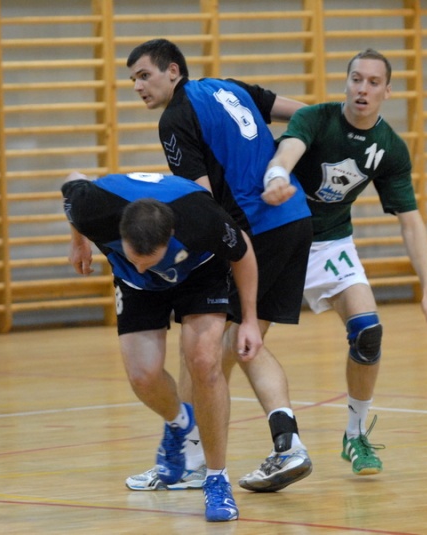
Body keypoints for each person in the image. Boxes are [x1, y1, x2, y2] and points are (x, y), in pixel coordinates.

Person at [125, 38, 314, 493]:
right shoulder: (228, 87)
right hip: (295, 219)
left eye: (145, 75)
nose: (138, 87)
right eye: (132, 80)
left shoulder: (176, 118)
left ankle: (193, 460)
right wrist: (281, 167)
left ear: (173, 70)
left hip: (251, 233)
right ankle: (284, 445)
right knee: (241, 343)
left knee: (200, 345)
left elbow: (202, 202)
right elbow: (309, 116)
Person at [262, 49, 427, 476]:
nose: (362, 89)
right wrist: (277, 177)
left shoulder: (390, 149)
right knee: (241, 342)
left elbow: (410, 221)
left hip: (331, 245)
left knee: (368, 334)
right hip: (280, 239)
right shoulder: (316, 118)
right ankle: (194, 438)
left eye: (373, 82)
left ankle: (355, 433)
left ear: (387, 91)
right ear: (346, 82)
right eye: (356, 79)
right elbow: (287, 152)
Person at [62, 171, 263, 522]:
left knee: (204, 363)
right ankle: (179, 423)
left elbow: (242, 252)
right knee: (143, 376)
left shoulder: (201, 217)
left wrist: (249, 320)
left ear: (170, 236)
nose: (142, 265)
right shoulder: (93, 207)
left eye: (149, 259)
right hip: (135, 287)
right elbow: (71, 181)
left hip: (200, 274)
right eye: (135, 256)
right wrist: (78, 241)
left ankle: (217, 480)